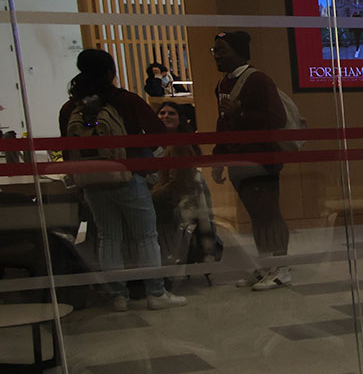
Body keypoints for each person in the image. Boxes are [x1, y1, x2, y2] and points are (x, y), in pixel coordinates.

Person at [58, 48, 184, 311]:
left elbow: (67, 147)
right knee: (146, 237)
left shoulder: (71, 106)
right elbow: (158, 134)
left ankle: (118, 296)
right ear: (110, 72)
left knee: (108, 237)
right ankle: (155, 293)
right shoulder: (124, 100)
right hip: (128, 176)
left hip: (91, 180)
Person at [210, 31, 293, 289]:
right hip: (239, 158)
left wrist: (241, 113)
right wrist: (218, 157)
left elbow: (276, 119)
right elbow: (223, 123)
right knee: (257, 215)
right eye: (215, 51)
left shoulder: (258, 80)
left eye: (222, 50)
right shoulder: (222, 84)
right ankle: (266, 264)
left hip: (261, 158)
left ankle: (281, 267)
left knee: (268, 212)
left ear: (239, 52)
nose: (217, 56)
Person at [153, 100, 220, 272]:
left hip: (180, 196)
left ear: (180, 119)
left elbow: (181, 181)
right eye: (162, 113)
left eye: (171, 113)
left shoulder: (184, 144)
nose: (165, 116)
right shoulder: (149, 141)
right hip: (158, 191)